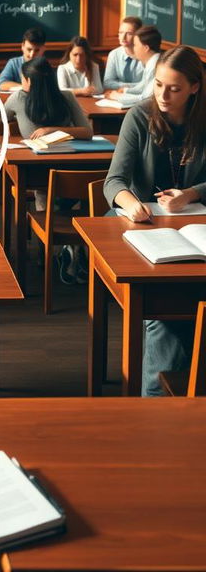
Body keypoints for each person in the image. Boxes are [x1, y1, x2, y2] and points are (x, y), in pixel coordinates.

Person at [103, 44, 206, 395]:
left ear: (194, 87)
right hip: (141, 224)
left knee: (186, 299)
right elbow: (114, 181)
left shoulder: (203, 120)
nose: (163, 94)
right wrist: (130, 202)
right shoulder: (139, 116)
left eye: (175, 88)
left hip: (192, 226)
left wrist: (191, 193)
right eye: (159, 84)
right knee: (164, 308)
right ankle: (156, 401)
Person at [5, 56, 92, 283]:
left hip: (57, 169)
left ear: (29, 81)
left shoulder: (65, 97)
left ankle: (57, 251)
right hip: (51, 170)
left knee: (46, 193)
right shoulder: (18, 98)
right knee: (51, 194)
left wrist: (50, 129)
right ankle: (72, 251)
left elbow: (88, 131)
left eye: (23, 78)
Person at [103, 25, 161, 105]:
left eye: (135, 45)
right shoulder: (151, 62)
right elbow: (143, 86)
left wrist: (117, 97)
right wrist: (125, 90)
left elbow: (145, 99)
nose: (134, 49)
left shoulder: (156, 66)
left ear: (146, 48)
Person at [103, 16, 144, 90]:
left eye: (129, 33)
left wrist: (119, 85)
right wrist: (133, 87)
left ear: (138, 35)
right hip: (118, 95)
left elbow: (148, 85)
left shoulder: (146, 55)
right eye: (121, 32)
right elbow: (107, 83)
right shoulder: (114, 54)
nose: (123, 37)